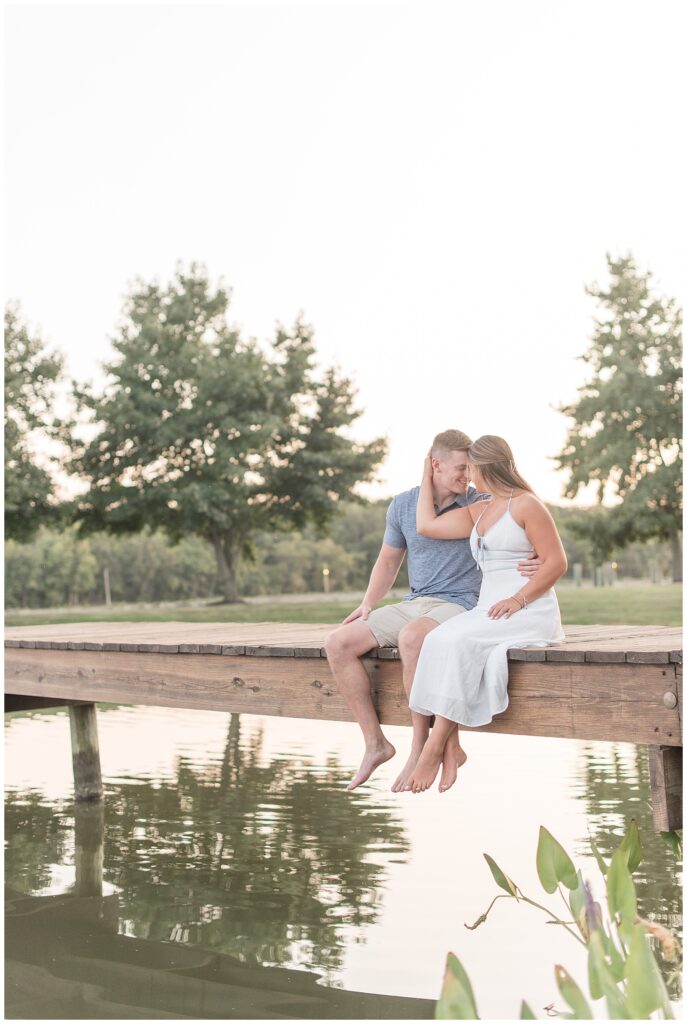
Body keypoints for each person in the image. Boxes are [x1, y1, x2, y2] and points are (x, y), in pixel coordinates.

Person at [324, 429, 540, 793]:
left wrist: (533, 553)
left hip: (462, 603)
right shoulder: (403, 505)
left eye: (471, 468)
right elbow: (389, 560)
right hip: (416, 602)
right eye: (460, 468)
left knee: (413, 639)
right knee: (337, 643)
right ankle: (376, 744)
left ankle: (420, 747)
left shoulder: (481, 500)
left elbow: (522, 516)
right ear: (434, 466)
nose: (467, 475)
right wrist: (368, 603)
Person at [405, 434, 567, 794]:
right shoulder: (481, 509)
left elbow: (556, 562)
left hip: (527, 609)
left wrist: (519, 599)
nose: (466, 474)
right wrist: (425, 472)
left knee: (460, 641)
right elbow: (426, 525)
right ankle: (451, 748)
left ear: (483, 466)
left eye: (469, 467)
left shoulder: (527, 505)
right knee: (437, 640)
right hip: (488, 609)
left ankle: (434, 747)